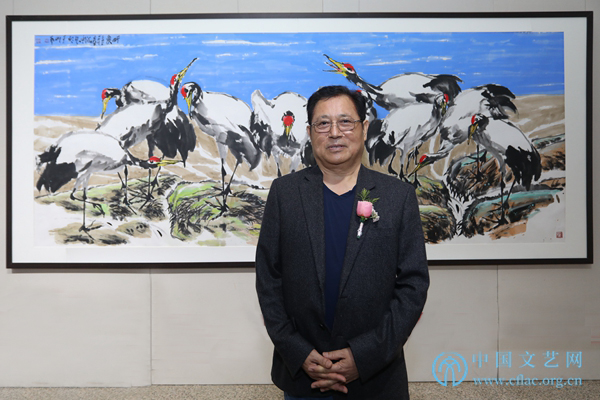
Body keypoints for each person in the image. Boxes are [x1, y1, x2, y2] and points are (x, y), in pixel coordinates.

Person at [255, 85, 429, 399]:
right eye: (323, 123)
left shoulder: (398, 196)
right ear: (310, 132)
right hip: (303, 376)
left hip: (376, 377)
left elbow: (413, 285)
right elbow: (269, 280)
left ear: (364, 128)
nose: (334, 132)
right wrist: (297, 351)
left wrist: (364, 356)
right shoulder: (285, 193)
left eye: (345, 122)